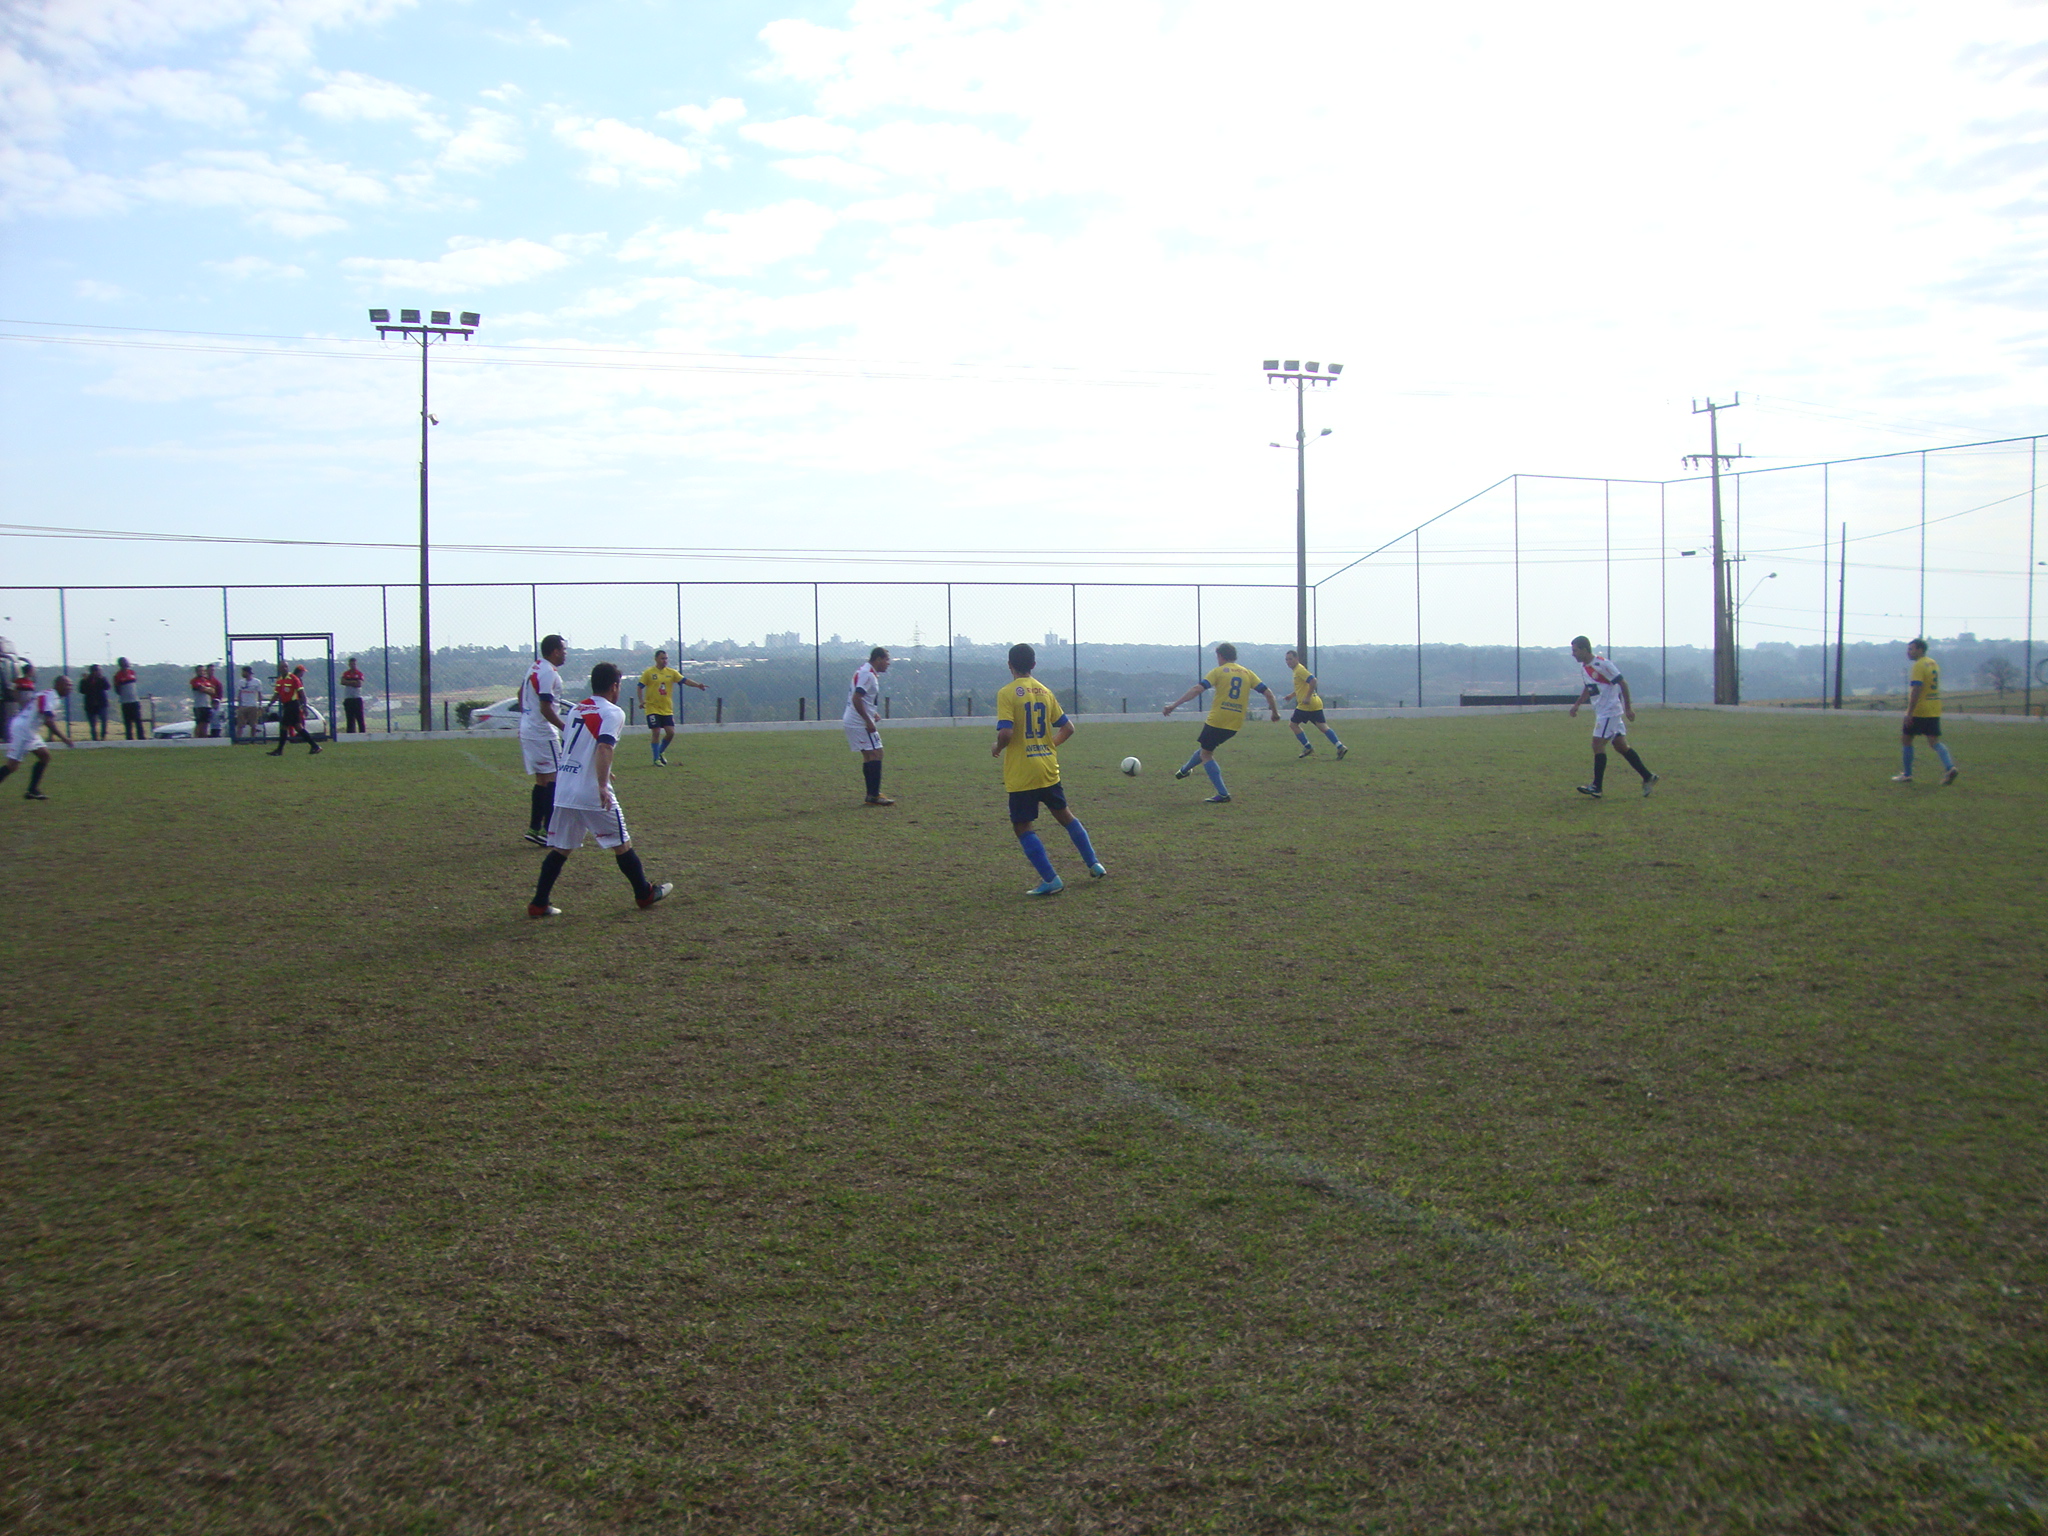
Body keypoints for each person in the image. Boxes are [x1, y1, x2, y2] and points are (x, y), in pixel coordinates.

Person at [527, 662, 672, 917]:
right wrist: (602, 784)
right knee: (621, 843)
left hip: (565, 788)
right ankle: (644, 893)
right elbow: (604, 747)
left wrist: (601, 770)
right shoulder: (612, 712)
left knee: (561, 849)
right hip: (590, 791)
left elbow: (577, 747)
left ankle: (539, 903)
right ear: (614, 686)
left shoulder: (577, 708)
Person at [993, 642, 1106, 897]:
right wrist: (1046, 746)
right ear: (1033, 665)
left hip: (1023, 771)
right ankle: (1094, 863)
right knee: (1065, 816)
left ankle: (1051, 879)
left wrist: (997, 747)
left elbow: (1006, 733)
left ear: (1009, 665)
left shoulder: (1007, 693)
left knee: (1022, 825)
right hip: (1047, 766)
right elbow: (1068, 728)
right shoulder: (1045, 691)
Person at [1163, 642, 1279, 804]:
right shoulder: (1247, 673)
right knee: (1206, 748)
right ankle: (1184, 770)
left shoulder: (1218, 671)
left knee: (1206, 754)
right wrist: (1274, 712)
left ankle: (1223, 794)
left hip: (1217, 720)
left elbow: (1197, 689)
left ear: (1220, 656)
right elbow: (1269, 693)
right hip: (1235, 723)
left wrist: (1173, 705)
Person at [1568, 635, 1656, 798]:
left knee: (1597, 744)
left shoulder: (1603, 664)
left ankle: (1597, 787)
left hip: (1609, 712)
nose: (1573, 654)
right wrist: (1577, 704)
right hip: (1603, 712)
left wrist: (1628, 708)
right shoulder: (1585, 667)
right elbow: (1589, 688)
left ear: (1585, 650)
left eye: (1575, 650)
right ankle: (1648, 776)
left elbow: (1623, 683)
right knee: (1621, 746)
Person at [520, 635, 568, 845]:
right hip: (543, 732)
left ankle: (534, 828)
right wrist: (565, 728)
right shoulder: (549, 672)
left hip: (529, 729)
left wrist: (527, 717)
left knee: (542, 780)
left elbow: (520, 693)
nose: (565, 654)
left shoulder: (535, 667)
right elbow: (546, 708)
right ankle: (549, 831)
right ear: (555, 651)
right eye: (564, 650)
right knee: (555, 779)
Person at [1893, 637, 1959, 785]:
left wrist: (1909, 712)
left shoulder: (1918, 665)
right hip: (1934, 708)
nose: (1908, 652)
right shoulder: (1933, 663)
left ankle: (1907, 774)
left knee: (1906, 739)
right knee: (1934, 741)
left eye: (1911, 649)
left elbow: (1917, 689)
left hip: (1920, 709)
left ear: (1920, 650)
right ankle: (1950, 767)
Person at [1, 674, 74, 800]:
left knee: (45, 756)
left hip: (29, 730)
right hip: (23, 730)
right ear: (58, 685)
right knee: (12, 765)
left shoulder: (50, 695)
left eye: (71, 686)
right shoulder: (51, 696)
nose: (70, 688)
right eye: (67, 685)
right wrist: (64, 738)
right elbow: (48, 721)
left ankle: (32, 790)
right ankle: (32, 790)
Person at [637, 649, 706, 765]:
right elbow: (639, 687)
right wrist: (641, 701)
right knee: (656, 732)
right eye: (662, 658)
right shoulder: (649, 673)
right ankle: (656, 759)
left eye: (666, 658)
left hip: (666, 708)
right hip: (652, 708)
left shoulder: (671, 672)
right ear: (656, 659)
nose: (665, 661)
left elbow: (685, 681)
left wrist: (698, 685)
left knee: (671, 733)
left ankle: (660, 752)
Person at [843, 646, 893, 805]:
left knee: (870, 755)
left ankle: (872, 794)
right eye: (886, 660)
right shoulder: (868, 674)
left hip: (856, 720)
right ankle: (874, 795)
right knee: (876, 753)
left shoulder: (865, 671)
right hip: (859, 722)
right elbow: (856, 698)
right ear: (878, 659)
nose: (888, 663)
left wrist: (872, 713)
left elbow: (862, 698)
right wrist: (868, 720)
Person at [1280, 648, 1347, 760]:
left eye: (1290, 659)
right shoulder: (1297, 671)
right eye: (1286, 659)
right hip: (1316, 703)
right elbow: (1302, 687)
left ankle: (1308, 747)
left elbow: (1313, 681)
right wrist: (1291, 696)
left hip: (1306, 705)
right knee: (1323, 726)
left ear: (1296, 659)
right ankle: (1340, 746)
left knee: (1293, 724)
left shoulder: (1299, 670)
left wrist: (1307, 697)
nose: (1288, 662)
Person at [267, 665, 322, 756]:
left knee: (284, 726)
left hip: (293, 705)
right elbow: (276, 694)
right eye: (282, 667)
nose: (284, 668)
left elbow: (302, 693)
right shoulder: (279, 680)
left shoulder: (293, 678)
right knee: (298, 727)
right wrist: (270, 704)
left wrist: (304, 706)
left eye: (286, 667)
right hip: (286, 705)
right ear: (279, 669)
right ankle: (315, 746)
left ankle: (279, 750)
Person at [79, 664, 111, 741]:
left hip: (101, 704)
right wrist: (85, 681)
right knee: (92, 724)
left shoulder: (102, 679)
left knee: (104, 721)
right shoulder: (86, 680)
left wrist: (101, 679)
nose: (99, 672)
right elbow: (82, 690)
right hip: (90, 705)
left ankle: (103, 737)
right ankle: (94, 738)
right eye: (98, 670)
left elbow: (107, 687)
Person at [113, 657, 143, 740]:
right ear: (120, 664)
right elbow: (117, 689)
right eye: (124, 662)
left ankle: (141, 737)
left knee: (138, 720)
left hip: (135, 700)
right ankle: (129, 738)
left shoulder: (132, 672)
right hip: (125, 702)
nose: (127, 663)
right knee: (128, 722)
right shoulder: (117, 675)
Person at [234, 665, 265, 740]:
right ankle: (238, 739)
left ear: (248, 672)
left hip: (253, 706)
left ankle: (252, 739)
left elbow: (260, 694)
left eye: (243, 672)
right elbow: (239, 694)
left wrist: (260, 705)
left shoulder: (257, 682)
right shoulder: (241, 682)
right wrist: (239, 705)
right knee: (240, 724)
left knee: (253, 724)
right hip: (243, 706)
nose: (242, 674)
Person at [189, 664, 219, 738]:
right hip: (199, 706)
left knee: (206, 723)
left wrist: (206, 689)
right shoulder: (194, 681)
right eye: (200, 671)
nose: (202, 672)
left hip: (207, 705)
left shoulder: (207, 680)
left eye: (203, 671)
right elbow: (202, 689)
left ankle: (204, 737)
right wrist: (207, 689)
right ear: (196, 671)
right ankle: (197, 738)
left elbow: (213, 691)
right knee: (199, 723)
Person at [340, 657, 367, 734]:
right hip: (348, 699)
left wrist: (348, 682)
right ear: (349, 664)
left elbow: (359, 684)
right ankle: (350, 734)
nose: (353, 665)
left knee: (360, 718)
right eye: (351, 664)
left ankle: (362, 734)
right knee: (350, 719)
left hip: (357, 698)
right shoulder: (346, 673)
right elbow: (342, 682)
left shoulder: (359, 673)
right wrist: (353, 682)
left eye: (354, 664)